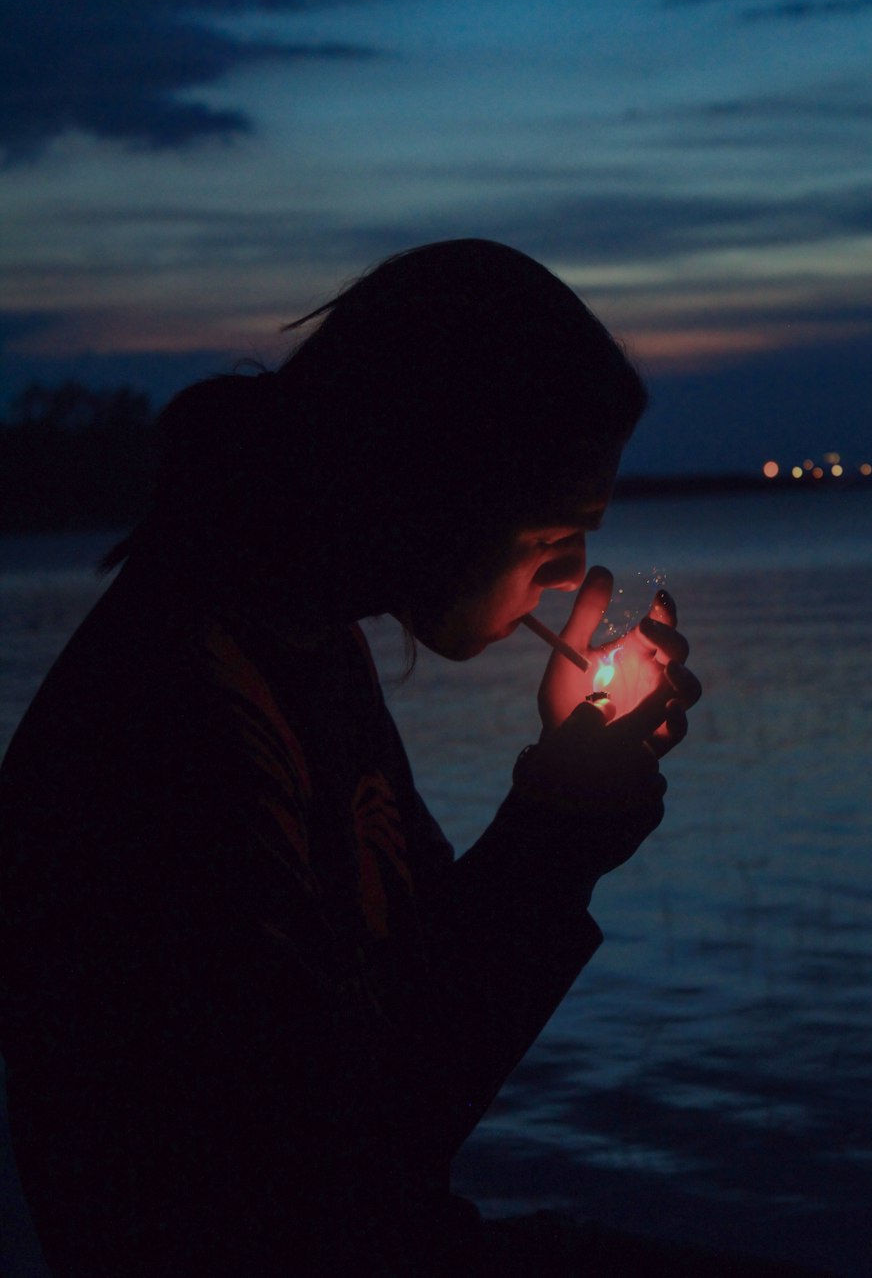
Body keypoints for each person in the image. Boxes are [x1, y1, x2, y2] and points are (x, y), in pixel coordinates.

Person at [0, 238, 710, 1276]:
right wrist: (556, 834)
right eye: (556, 531)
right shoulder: (167, 719)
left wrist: (558, 801)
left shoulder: (296, 643)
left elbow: (410, 995)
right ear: (435, 476)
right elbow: (325, 1164)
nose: (568, 577)